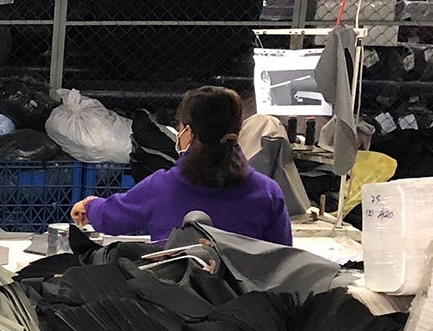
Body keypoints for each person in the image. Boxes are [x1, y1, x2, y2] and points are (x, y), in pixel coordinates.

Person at [70, 86, 292, 246]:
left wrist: (90, 206)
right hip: (244, 297)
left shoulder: (162, 187)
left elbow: (112, 218)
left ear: (187, 133)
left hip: (172, 296)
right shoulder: (268, 192)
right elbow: (281, 255)